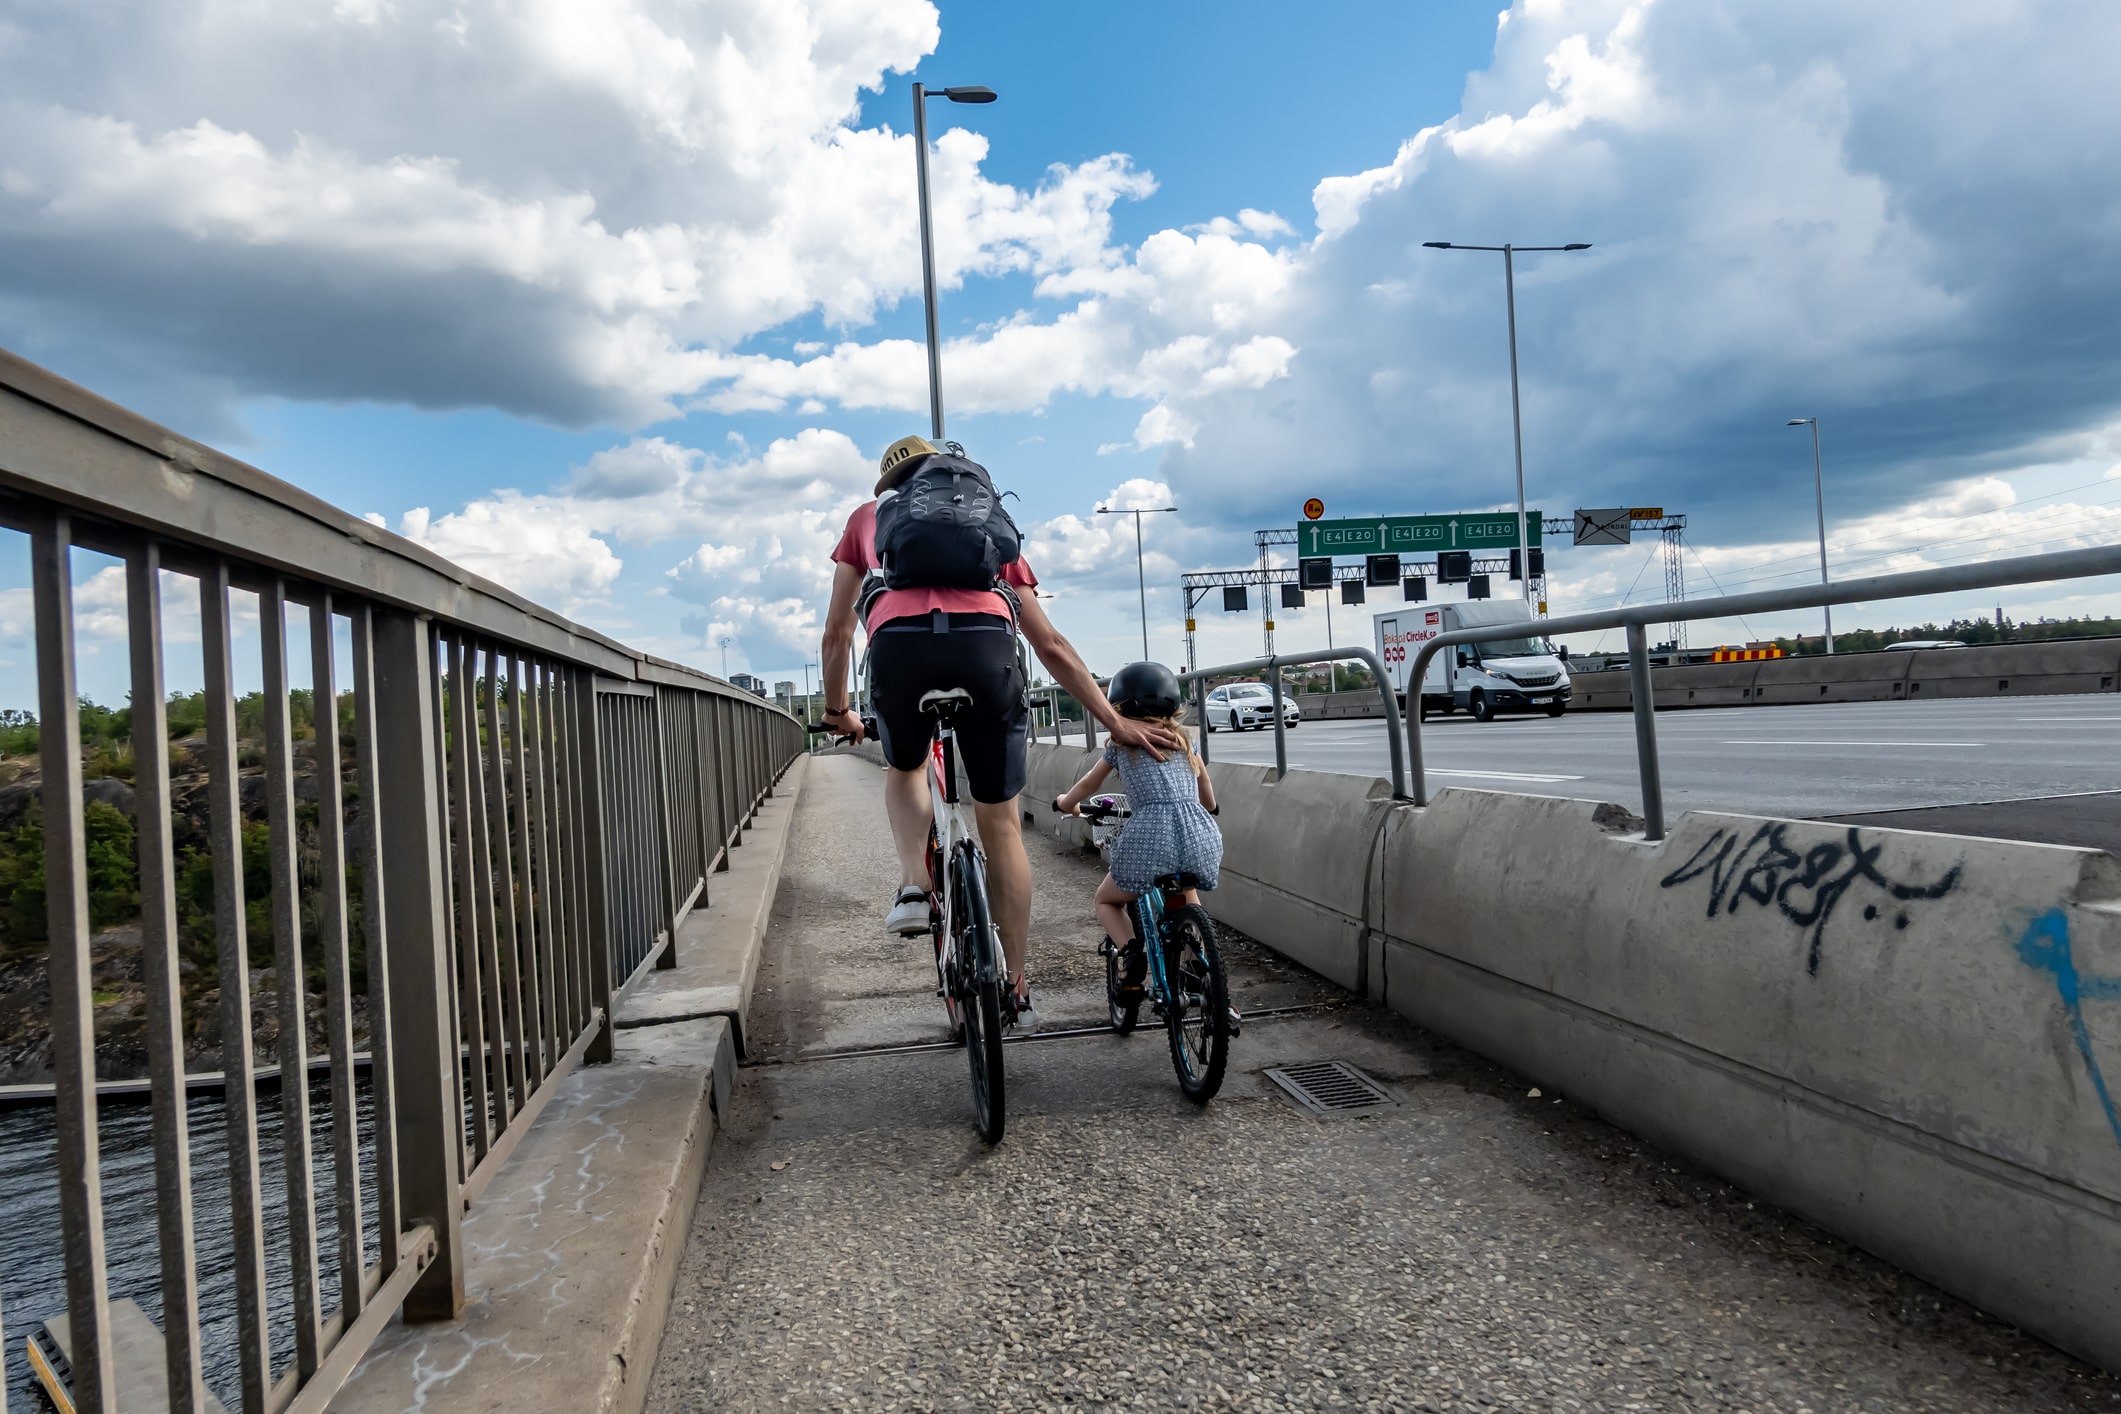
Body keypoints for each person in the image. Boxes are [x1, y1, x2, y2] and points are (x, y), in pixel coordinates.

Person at [818, 435, 1179, 1021]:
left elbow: (837, 633)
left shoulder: (869, 518)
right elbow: (1050, 642)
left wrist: (838, 711)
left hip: (900, 656)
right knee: (1002, 825)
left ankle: (914, 886)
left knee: (906, 766)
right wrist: (1113, 721)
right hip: (988, 654)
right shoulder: (988, 520)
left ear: (892, 486)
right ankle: (1016, 983)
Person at [1052, 662, 1222, 1002]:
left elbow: (1090, 782)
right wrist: (1211, 809)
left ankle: (1132, 953)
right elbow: (1204, 784)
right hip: (1200, 834)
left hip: (1150, 834)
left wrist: (1065, 803)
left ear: (1119, 706)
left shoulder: (1122, 743)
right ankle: (1206, 975)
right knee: (1188, 895)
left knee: (1106, 900)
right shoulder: (1184, 740)